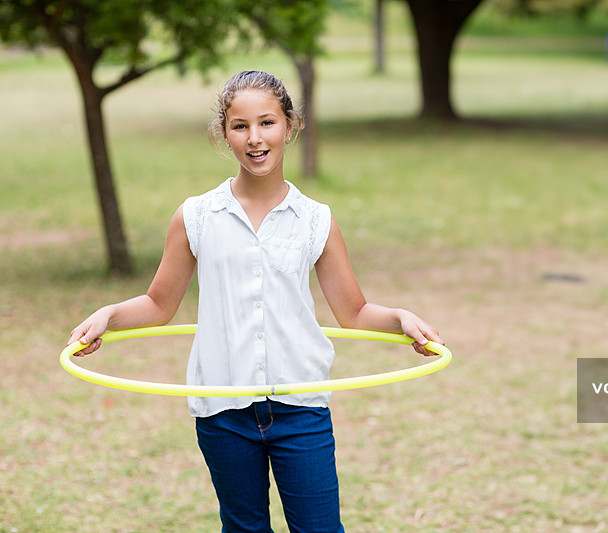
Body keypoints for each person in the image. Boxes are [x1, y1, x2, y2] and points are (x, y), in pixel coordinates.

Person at [67, 70, 444, 533]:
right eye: (240, 126)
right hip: (224, 410)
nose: (255, 138)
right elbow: (158, 305)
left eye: (267, 123)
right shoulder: (197, 217)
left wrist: (402, 319)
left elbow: (355, 313)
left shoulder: (315, 221)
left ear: (290, 124)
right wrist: (109, 315)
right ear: (223, 133)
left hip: (301, 407)